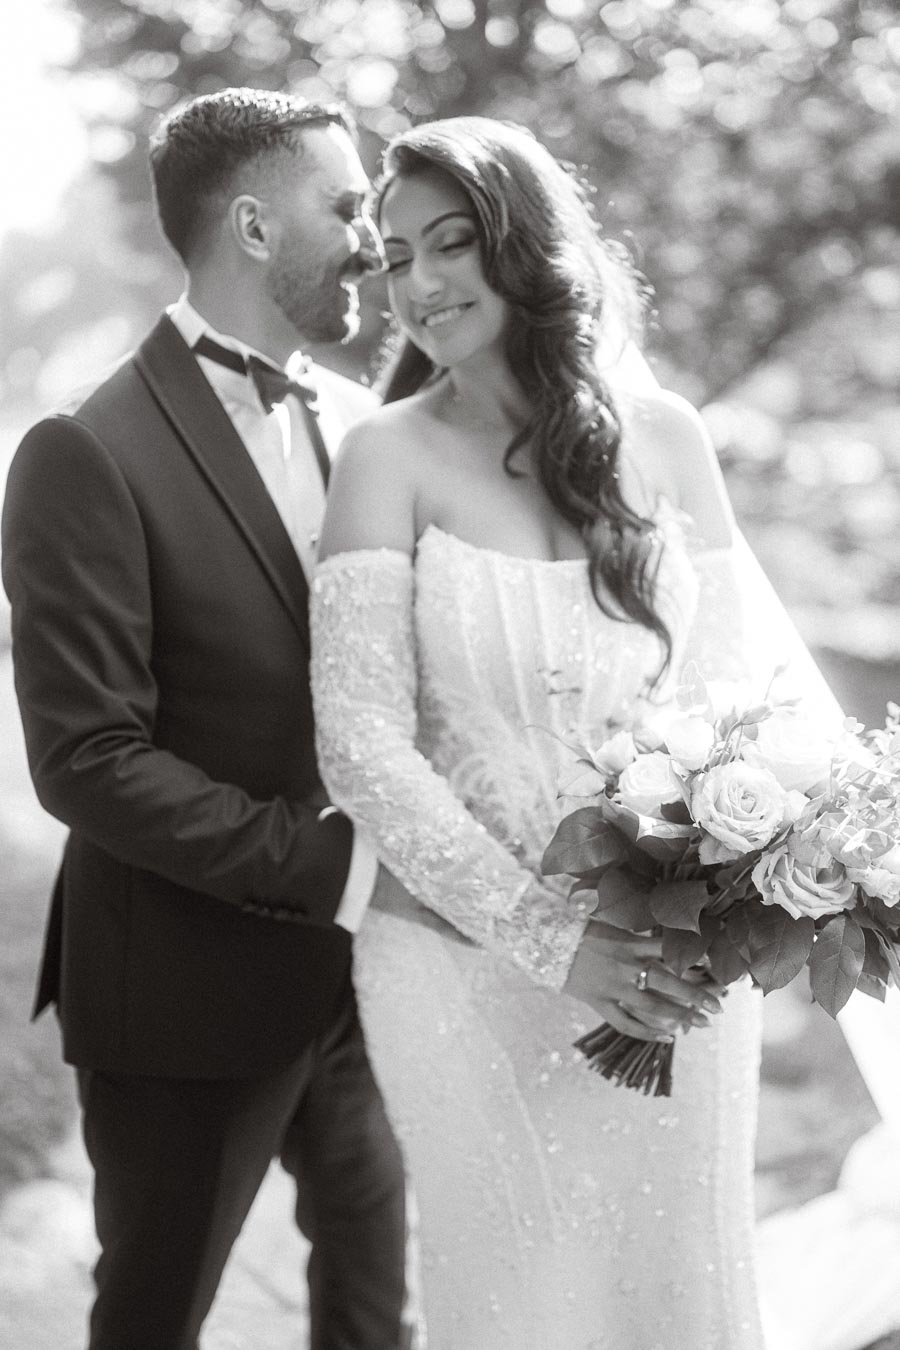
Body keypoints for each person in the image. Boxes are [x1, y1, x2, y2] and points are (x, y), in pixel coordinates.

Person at [310, 117, 768, 1348]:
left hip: (677, 967)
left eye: (451, 243)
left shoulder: (665, 435)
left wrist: (714, 912)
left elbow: (746, 701)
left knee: (678, 1292)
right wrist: (549, 937)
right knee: (517, 1302)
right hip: (462, 969)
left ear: (528, 246)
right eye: (396, 255)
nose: (420, 284)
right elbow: (359, 747)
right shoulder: (384, 455)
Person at [1, 88, 410, 1350]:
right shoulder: (84, 450)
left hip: (361, 984)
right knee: (154, 1313)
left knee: (371, 1287)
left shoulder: (361, 425)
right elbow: (90, 762)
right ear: (249, 223)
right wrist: (341, 867)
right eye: (346, 205)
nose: (375, 238)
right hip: (181, 986)